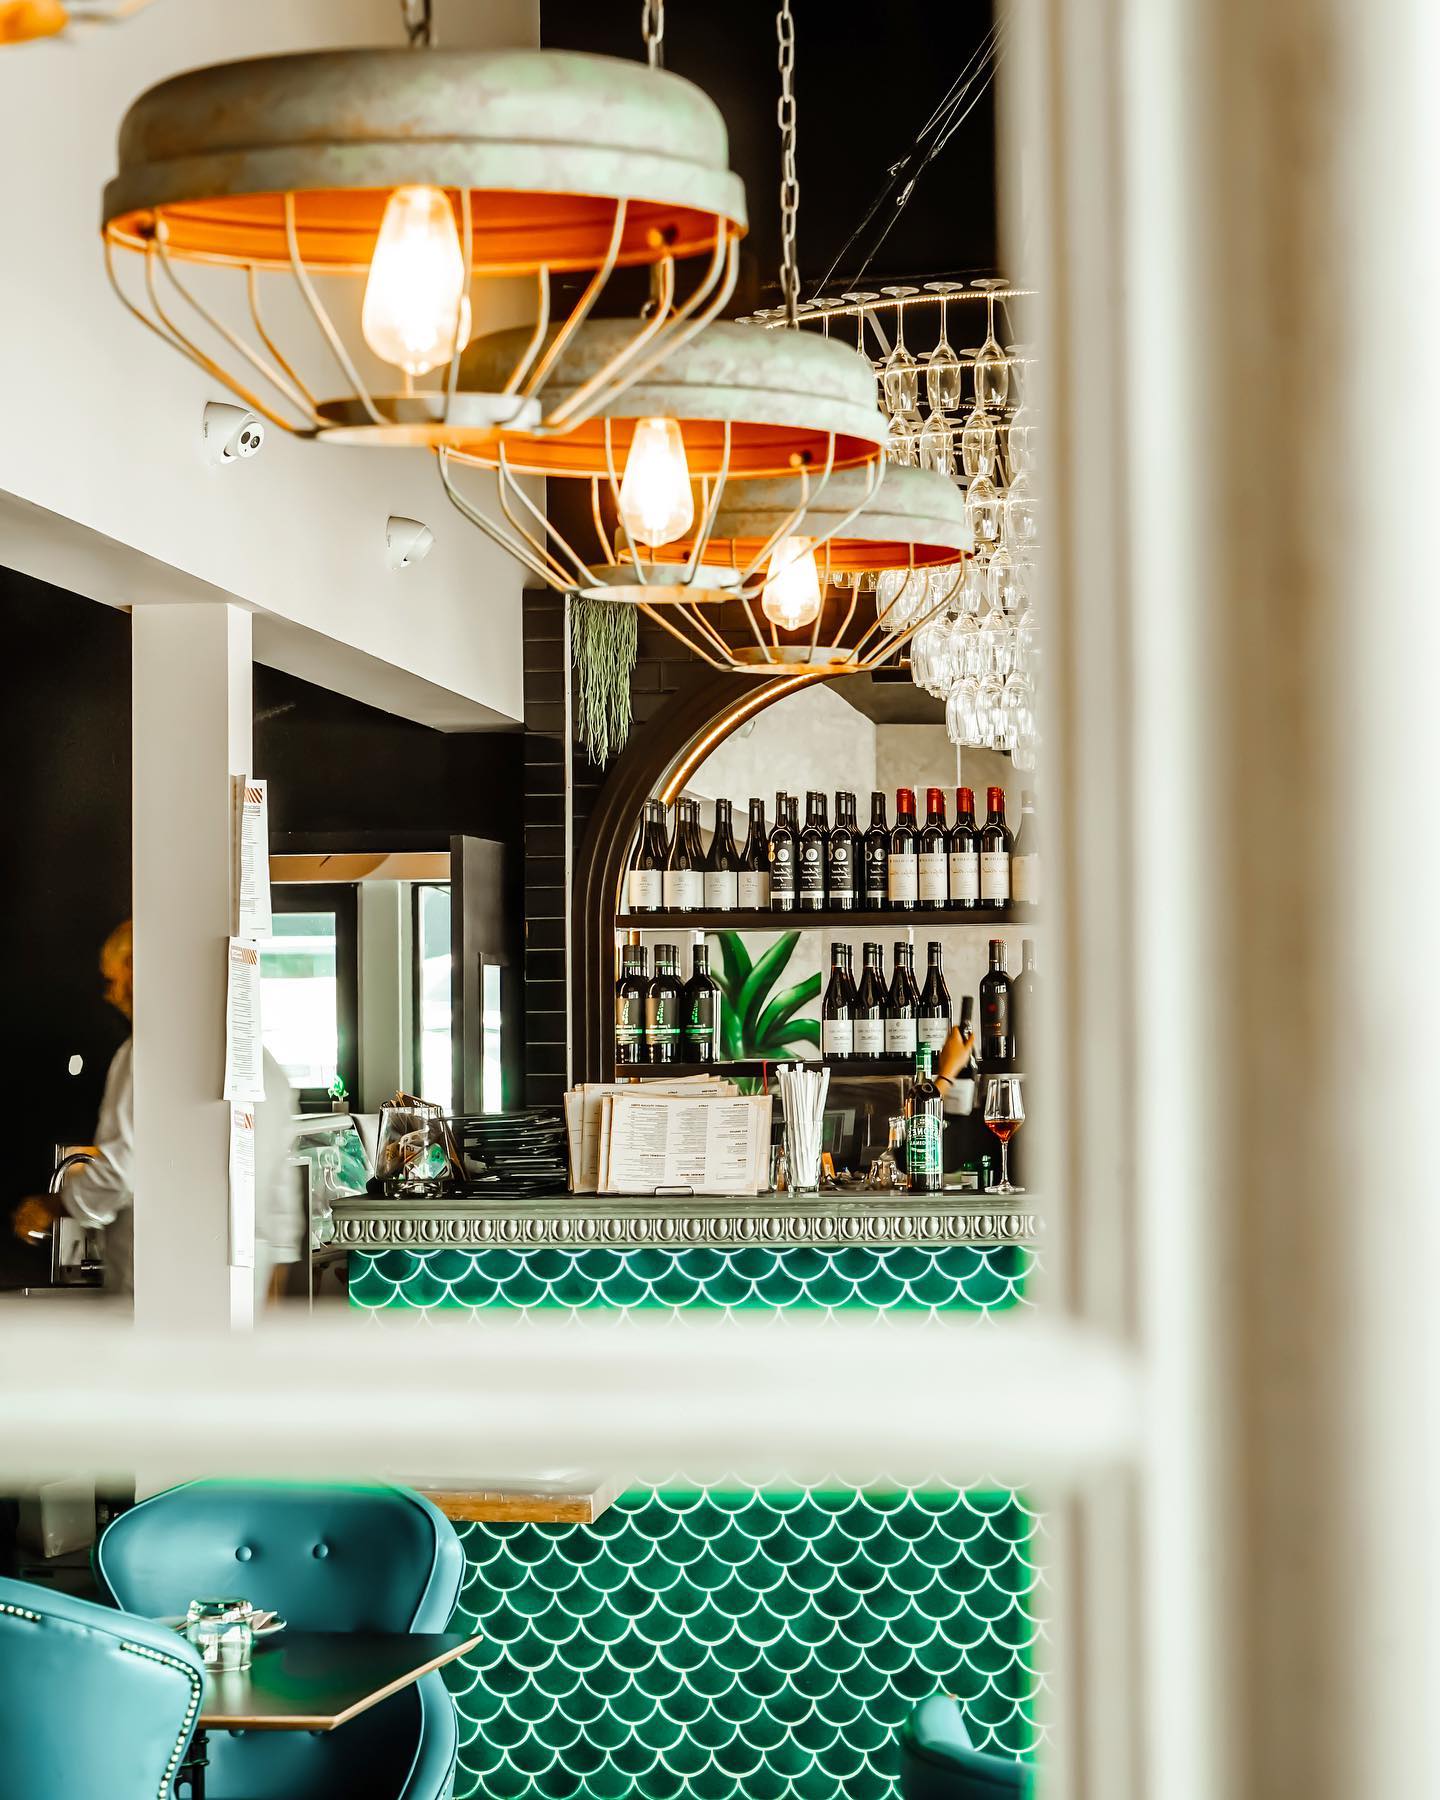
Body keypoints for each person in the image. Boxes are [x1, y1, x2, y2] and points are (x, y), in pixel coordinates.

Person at [12, 920, 302, 1306]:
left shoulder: (147, 1052)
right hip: (237, 1298)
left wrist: (58, 1204)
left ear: (140, 966)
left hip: (158, 1287)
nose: (111, 995)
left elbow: (121, 1169)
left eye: (112, 979)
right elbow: (281, 1210)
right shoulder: (263, 1065)